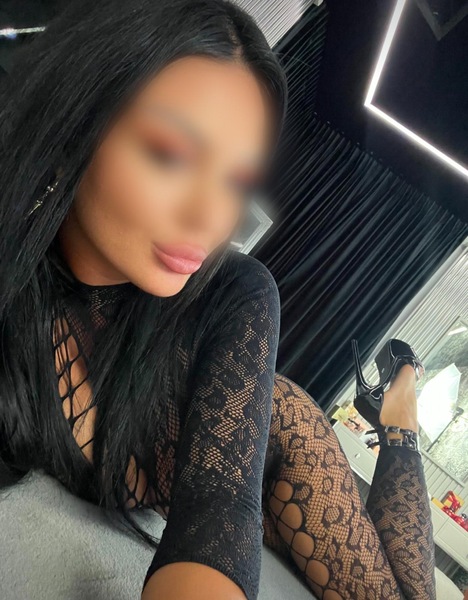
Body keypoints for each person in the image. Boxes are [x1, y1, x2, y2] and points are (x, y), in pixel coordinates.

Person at [0, 1, 436, 599]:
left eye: (236, 182)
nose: (211, 218)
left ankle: (399, 414)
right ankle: (399, 410)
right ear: (74, 119)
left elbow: (219, 509)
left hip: (280, 434)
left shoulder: (236, 291)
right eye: (171, 154)